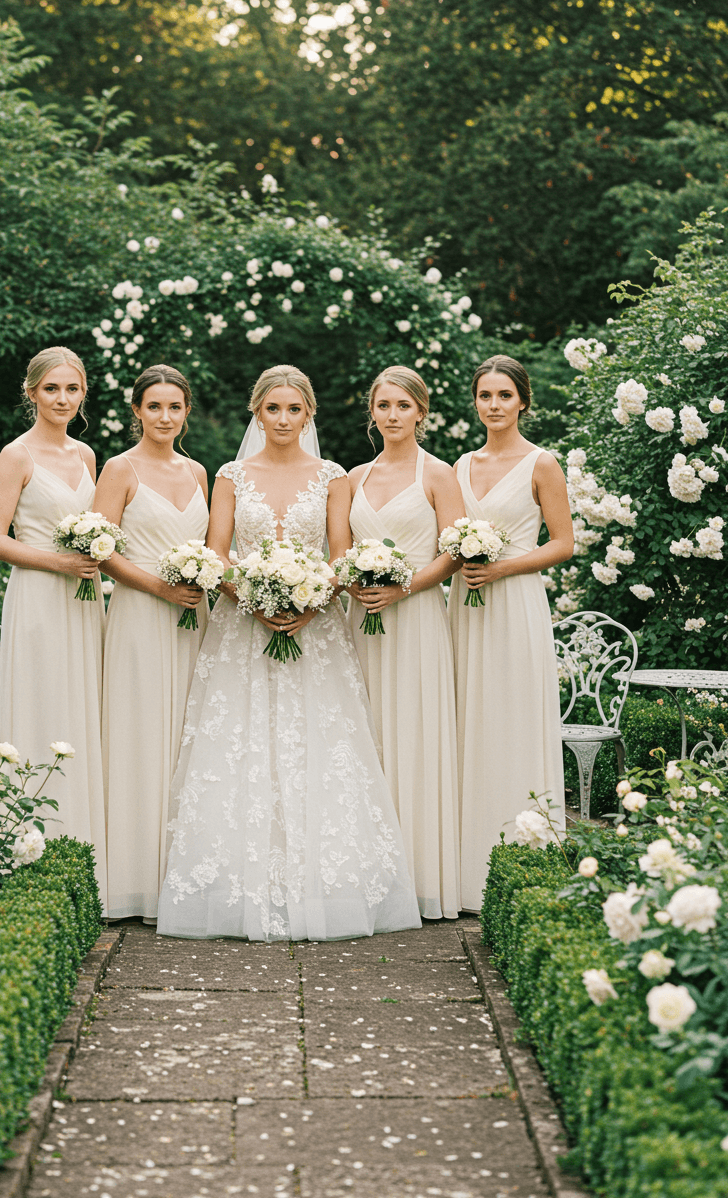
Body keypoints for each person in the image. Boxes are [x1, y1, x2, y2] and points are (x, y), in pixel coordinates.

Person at [157, 364, 420, 942]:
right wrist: (253, 598)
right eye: (272, 409)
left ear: (309, 414)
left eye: (293, 409)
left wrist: (309, 598)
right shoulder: (229, 475)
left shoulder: (332, 477)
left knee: (320, 747)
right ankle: (233, 891)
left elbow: (340, 550)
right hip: (241, 628)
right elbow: (217, 552)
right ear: (257, 412)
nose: (282, 419)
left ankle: (325, 888)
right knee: (239, 748)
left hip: (316, 626)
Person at [0, 346, 107, 901]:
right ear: (31, 392)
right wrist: (60, 561)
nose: (61, 399)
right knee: (39, 706)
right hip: (37, 596)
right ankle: (24, 848)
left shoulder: (87, 456)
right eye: (51, 389)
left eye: (71, 389)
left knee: (82, 708)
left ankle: (83, 850)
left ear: (83, 395)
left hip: (84, 600)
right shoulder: (16, 455)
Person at [447, 355, 574, 912]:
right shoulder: (459, 466)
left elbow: (563, 543)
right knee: (467, 717)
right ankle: (466, 860)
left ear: (523, 400)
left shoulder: (541, 463)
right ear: (475, 403)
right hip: (465, 606)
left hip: (515, 600)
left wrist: (501, 567)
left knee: (512, 716)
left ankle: (527, 850)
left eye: (504, 395)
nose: (494, 406)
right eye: (484, 396)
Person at [93, 365, 209, 922]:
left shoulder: (199, 472)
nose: (165, 417)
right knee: (141, 734)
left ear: (187, 413)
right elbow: (101, 549)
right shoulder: (119, 469)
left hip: (194, 618)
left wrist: (199, 582)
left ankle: (183, 876)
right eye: (155, 407)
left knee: (191, 734)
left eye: (175, 407)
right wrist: (160, 587)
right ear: (136, 410)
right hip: (141, 613)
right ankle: (137, 880)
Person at [348, 366, 464, 920]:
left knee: (413, 735)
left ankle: (418, 875)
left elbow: (455, 551)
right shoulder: (354, 477)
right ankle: (365, 873)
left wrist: (404, 587)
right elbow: (339, 549)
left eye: (402, 406)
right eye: (383, 406)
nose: (392, 415)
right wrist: (358, 583)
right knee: (363, 737)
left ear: (421, 411)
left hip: (415, 619)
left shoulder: (439, 474)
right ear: (372, 412)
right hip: (360, 622)